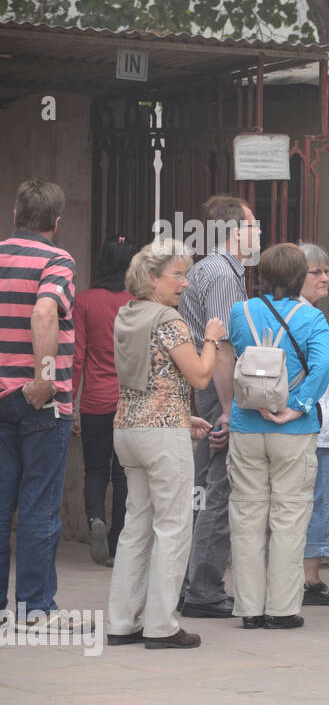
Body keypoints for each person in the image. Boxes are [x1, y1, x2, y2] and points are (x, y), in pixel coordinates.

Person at [107, 239, 225, 649]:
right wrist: (210, 337)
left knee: (134, 528)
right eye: (177, 274)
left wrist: (180, 413)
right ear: (152, 277)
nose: (186, 283)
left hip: (128, 428)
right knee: (174, 526)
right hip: (160, 434)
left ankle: (122, 621)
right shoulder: (169, 320)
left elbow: (150, 375)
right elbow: (200, 377)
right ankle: (161, 624)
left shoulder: (127, 314)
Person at [226, 244, 329, 629]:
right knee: (289, 517)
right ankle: (282, 609)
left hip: (246, 423)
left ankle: (249, 608)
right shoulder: (312, 318)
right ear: (299, 276)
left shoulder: (240, 312)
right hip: (293, 430)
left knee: (246, 516)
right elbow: (321, 367)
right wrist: (298, 405)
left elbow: (236, 358)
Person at [0, 179, 84, 631]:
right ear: (56, 223)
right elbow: (44, 312)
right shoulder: (57, 259)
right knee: (38, 506)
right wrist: (45, 380)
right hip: (40, 402)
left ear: (15, 217)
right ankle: (35, 609)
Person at [178, 194, 260, 620]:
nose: (259, 232)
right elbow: (223, 347)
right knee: (217, 488)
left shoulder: (206, 269)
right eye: (253, 225)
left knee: (201, 488)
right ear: (234, 232)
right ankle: (204, 587)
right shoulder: (224, 274)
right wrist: (228, 410)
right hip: (216, 389)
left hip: (205, 386)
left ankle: (187, 582)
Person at [72, 235, 135, 566]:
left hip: (95, 401)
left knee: (95, 470)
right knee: (124, 474)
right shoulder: (137, 301)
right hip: (129, 402)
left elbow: (76, 357)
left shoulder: (83, 301)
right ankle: (115, 543)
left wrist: (68, 401)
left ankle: (95, 516)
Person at [298, 243, 329, 607]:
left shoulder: (312, 314)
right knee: (315, 502)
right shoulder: (305, 317)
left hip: (323, 427)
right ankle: (308, 578)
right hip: (315, 428)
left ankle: (305, 575)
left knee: (318, 501)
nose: (325, 277)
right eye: (317, 271)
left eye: (328, 271)